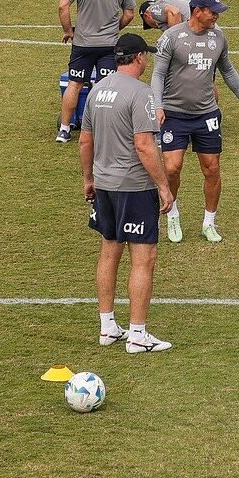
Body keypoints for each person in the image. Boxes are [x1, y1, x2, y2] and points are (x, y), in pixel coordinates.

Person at [83, 32, 177, 354]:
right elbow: (144, 144)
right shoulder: (141, 93)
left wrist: (88, 180)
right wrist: (163, 185)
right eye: (145, 56)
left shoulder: (97, 90)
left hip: (104, 184)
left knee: (109, 251)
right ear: (138, 58)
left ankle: (107, 327)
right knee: (144, 257)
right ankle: (137, 335)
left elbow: (85, 141)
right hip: (134, 188)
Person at [151, 0, 239, 244]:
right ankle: (172, 214)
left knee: (212, 168)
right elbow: (157, 74)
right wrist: (157, 105)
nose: (216, 17)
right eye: (213, 12)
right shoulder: (171, 38)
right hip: (174, 113)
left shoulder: (218, 38)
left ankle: (209, 222)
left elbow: (228, 70)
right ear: (197, 11)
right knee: (172, 167)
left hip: (206, 114)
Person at [58, 0, 138, 144]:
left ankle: (64, 130)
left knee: (74, 84)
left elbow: (63, 6)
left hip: (83, 44)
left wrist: (68, 30)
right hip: (108, 45)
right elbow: (129, 13)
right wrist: (114, 28)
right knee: (105, 89)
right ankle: (102, 131)